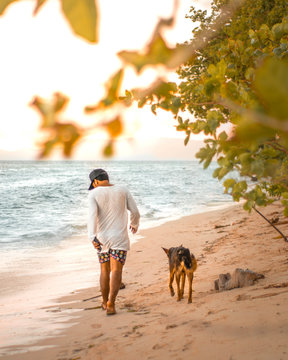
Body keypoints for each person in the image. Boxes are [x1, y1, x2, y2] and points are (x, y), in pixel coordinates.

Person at [88, 168, 140, 315]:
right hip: (120, 238)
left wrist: (92, 236)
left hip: (102, 239)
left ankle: (104, 303)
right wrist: (134, 224)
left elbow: (92, 216)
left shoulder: (93, 194)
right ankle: (111, 303)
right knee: (116, 270)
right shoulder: (123, 190)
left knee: (104, 270)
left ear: (95, 181)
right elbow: (135, 211)